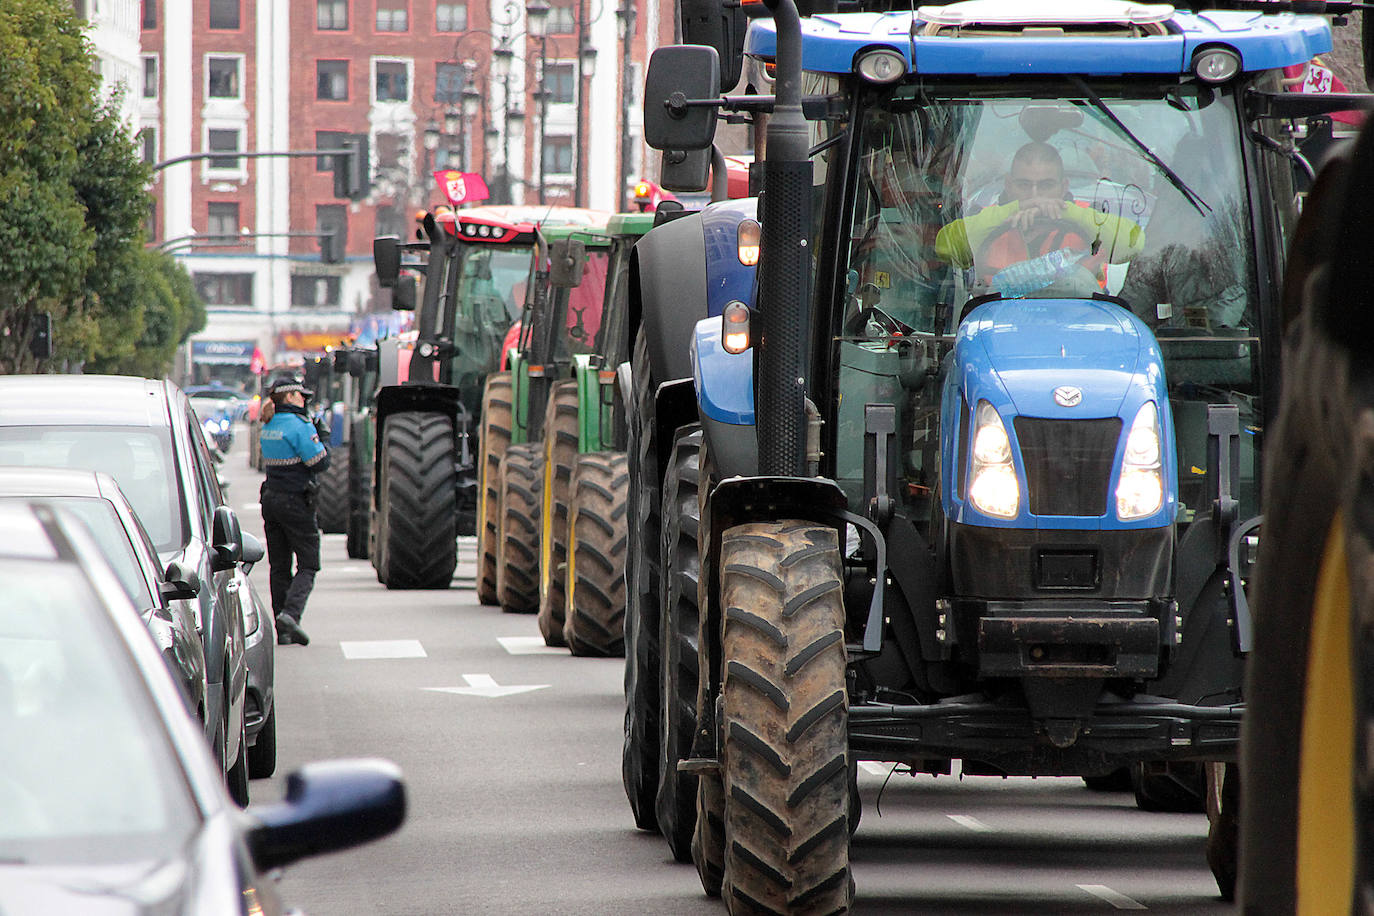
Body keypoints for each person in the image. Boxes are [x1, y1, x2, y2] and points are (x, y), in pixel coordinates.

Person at [934, 141, 1146, 291]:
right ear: (1009, 184)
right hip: (1001, 330)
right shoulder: (989, 219)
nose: (1035, 196)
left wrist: (1066, 212)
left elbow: (1133, 244)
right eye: (1024, 185)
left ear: (1063, 186)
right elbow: (945, 248)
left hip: (1078, 328)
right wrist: (1012, 211)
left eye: (1046, 185)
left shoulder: (1088, 220)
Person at [258, 377, 329, 646]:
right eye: (300, 395)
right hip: (295, 502)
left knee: (279, 565)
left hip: (271, 500)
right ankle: (290, 615)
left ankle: (283, 629)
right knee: (309, 563)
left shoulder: (269, 424)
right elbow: (319, 462)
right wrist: (322, 438)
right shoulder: (299, 426)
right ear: (289, 397)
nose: (304, 400)